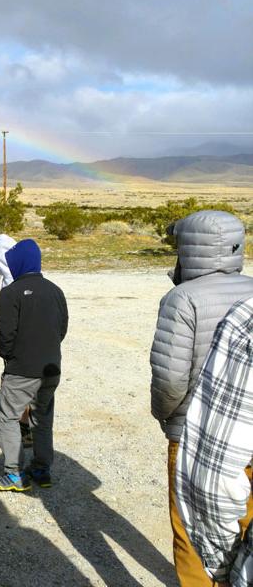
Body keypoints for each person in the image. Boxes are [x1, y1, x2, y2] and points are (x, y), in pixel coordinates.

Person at [150, 210, 253, 586]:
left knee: (193, 530)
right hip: (249, 431)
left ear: (188, 248)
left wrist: (163, 416)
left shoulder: (181, 299)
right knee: (246, 526)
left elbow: (170, 378)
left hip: (194, 434)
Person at [176, 296, 253, 587]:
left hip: (197, 428)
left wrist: (227, 570)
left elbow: (169, 381)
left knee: (186, 537)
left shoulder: (246, 318)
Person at [0, 238, 67, 493]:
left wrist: (7, 356)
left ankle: (14, 473)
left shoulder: (10, 293)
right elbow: (62, 328)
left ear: (18, 262)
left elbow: (5, 333)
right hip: (51, 367)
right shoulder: (55, 290)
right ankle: (42, 469)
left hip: (21, 368)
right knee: (42, 418)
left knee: (7, 416)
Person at [0, 233, 32, 445]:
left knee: (15, 386)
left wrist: (5, 350)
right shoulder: (27, 272)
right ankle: (26, 423)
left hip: (16, 345)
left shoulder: (10, 284)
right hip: (33, 343)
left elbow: (8, 324)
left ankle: (21, 428)